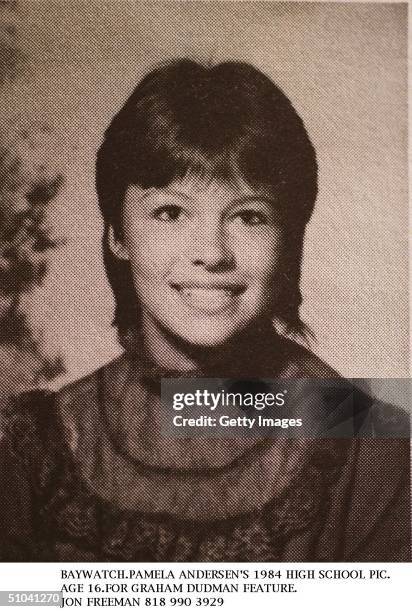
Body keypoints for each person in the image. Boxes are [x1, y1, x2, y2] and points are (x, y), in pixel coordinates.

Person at [0, 59, 409, 561]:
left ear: (289, 241)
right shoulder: (34, 450)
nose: (212, 253)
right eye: (170, 212)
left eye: (249, 216)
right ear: (118, 236)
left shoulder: (374, 454)